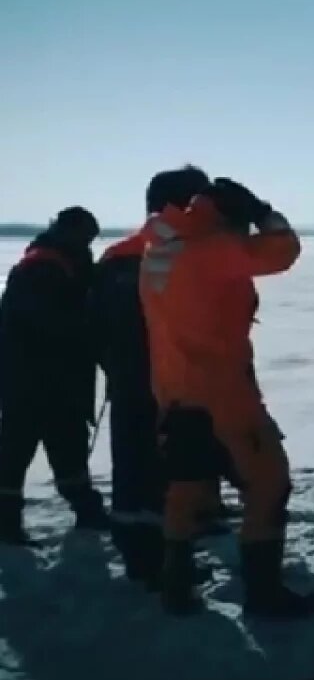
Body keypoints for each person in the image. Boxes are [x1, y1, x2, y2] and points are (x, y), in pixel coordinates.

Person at [139, 177, 314, 618]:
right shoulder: (209, 249)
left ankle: (176, 588)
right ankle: (264, 594)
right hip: (222, 393)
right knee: (268, 482)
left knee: (187, 488)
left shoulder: (160, 247)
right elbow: (283, 250)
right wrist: (263, 211)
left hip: (175, 392)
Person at [92, 165, 221, 585]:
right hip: (173, 384)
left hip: (129, 381)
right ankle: (162, 561)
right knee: (167, 472)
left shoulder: (117, 255)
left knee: (133, 469)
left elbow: (95, 326)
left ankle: (142, 556)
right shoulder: (180, 254)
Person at [0, 207, 109, 543]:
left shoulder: (62, 261)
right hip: (34, 379)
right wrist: (91, 331)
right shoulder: (43, 267)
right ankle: (7, 524)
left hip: (48, 379)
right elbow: (49, 323)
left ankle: (87, 511)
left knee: (65, 448)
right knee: (18, 454)